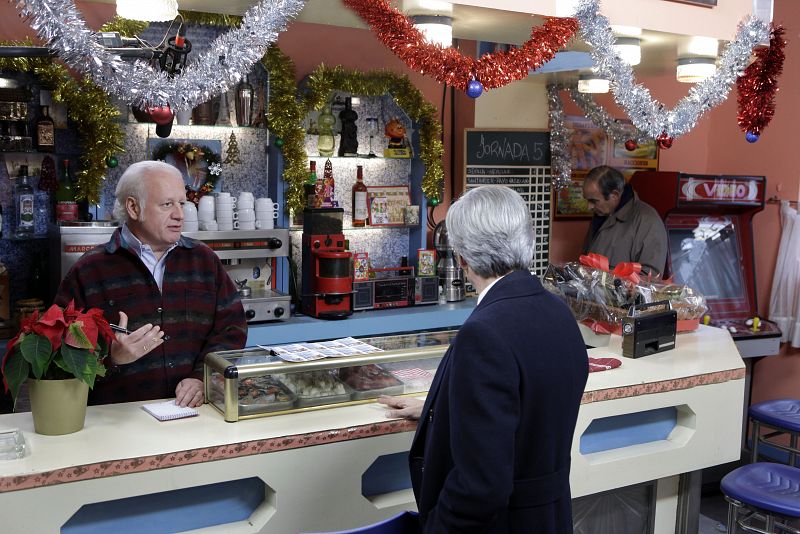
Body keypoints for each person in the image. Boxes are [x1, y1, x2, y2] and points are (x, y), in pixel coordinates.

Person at [379, 186, 589, 533]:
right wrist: (442, 407)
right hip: (550, 517)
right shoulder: (557, 310)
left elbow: (480, 486)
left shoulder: (485, 333)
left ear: (462, 257)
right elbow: (525, 405)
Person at [54, 161, 246, 407]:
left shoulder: (204, 260)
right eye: (167, 204)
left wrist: (202, 378)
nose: (180, 214)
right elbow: (58, 356)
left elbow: (232, 329)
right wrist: (111, 359)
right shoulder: (89, 270)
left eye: (182, 204)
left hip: (195, 416)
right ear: (133, 208)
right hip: (117, 424)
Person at [582, 165, 668, 278]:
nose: (589, 207)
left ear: (615, 195)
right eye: (588, 200)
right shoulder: (601, 213)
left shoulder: (648, 220)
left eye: (593, 201)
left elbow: (651, 277)